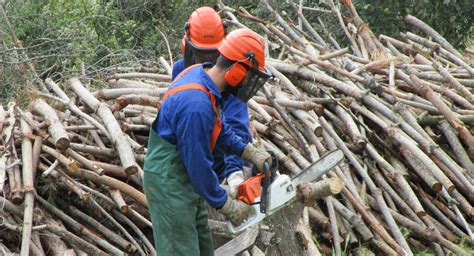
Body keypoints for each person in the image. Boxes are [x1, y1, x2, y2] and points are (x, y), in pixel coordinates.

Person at [143, 28, 272, 255]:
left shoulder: (203, 79)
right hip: (170, 182)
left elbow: (217, 129)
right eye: (249, 77)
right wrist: (226, 204)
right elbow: (199, 164)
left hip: (185, 181)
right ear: (236, 72)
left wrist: (247, 152)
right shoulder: (196, 103)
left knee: (203, 249)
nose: (247, 84)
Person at [173, 6, 252, 198]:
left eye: (212, 55)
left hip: (225, 156)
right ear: (188, 48)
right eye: (200, 54)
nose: (207, 61)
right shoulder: (181, 72)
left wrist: (234, 172)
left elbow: (234, 125)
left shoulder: (229, 76)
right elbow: (190, 140)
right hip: (195, 156)